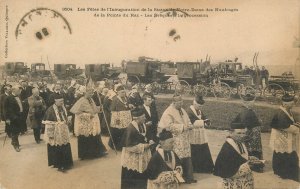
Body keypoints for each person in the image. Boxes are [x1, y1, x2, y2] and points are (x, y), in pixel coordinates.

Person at [158, 94, 197, 184]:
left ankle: (188, 177)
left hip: (184, 138)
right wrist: (183, 127)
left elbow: (187, 120)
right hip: (175, 138)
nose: (181, 104)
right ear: (174, 102)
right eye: (179, 103)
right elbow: (169, 126)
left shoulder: (181, 109)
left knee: (187, 156)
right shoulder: (168, 112)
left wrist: (190, 125)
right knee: (178, 157)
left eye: (182, 102)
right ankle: (178, 178)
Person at [70, 83, 107, 159]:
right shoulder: (81, 100)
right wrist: (88, 115)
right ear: (85, 93)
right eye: (89, 93)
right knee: (86, 138)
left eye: (92, 93)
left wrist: (99, 108)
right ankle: (85, 155)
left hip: (92, 122)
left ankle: (96, 153)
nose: (91, 94)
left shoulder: (91, 99)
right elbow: (76, 112)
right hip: (84, 123)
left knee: (94, 136)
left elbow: (94, 109)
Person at [213, 121, 255, 189]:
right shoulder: (227, 148)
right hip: (233, 183)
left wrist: (249, 158)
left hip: (243, 181)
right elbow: (227, 170)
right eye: (238, 133)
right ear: (231, 133)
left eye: (243, 133)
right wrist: (248, 165)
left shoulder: (238, 142)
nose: (242, 136)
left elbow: (239, 157)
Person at [269, 94, 299, 181]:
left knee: (281, 153)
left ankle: (280, 171)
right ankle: (286, 173)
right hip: (281, 137)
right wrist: (297, 129)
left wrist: (295, 124)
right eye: (291, 103)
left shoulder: (286, 110)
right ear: (285, 104)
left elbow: (289, 121)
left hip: (282, 136)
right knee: (285, 153)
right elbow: (285, 126)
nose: (293, 105)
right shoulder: (281, 113)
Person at [120, 108, 152, 189]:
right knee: (132, 176)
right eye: (143, 117)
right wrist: (144, 146)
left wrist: (150, 139)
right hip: (132, 157)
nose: (145, 118)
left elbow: (146, 136)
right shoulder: (130, 128)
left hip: (142, 155)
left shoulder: (143, 124)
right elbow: (128, 147)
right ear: (137, 118)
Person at [231, 93, 264, 172]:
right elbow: (246, 124)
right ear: (247, 103)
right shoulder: (247, 112)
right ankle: (256, 166)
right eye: (252, 102)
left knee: (252, 150)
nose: (253, 103)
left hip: (253, 132)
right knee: (254, 150)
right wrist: (258, 123)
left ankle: (253, 164)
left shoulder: (246, 110)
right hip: (252, 134)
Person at [43, 93, 73, 172]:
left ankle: (67, 163)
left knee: (65, 145)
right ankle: (59, 165)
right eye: (60, 102)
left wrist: (68, 121)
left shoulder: (63, 107)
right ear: (55, 101)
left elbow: (65, 117)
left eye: (63, 101)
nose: (62, 103)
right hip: (55, 131)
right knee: (57, 147)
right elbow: (48, 123)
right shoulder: (50, 110)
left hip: (64, 130)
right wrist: (50, 135)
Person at [186, 95, 214, 173]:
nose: (200, 108)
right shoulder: (189, 111)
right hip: (193, 133)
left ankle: (205, 168)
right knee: (194, 149)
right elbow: (191, 122)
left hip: (200, 133)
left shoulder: (199, 110)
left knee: (203, 147)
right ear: (194, 103)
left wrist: (207, 121)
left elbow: (204, 117)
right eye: (199, 106)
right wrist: (203, 122)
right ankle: (196, 168)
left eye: (201, 106)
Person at [109, 85, 132, 151]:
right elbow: (112, 109)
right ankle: (116, 146)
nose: (123, 94)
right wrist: (117, 120)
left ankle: (123, 145)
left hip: (125, 118)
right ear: (118, 92)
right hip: (118, 118)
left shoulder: (126, 98)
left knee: (124, 131)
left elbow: (126, 106)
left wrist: (129, 106)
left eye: (124, 92)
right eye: (122, 92)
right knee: (117, 131)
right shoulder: (115, 99)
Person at [4, 85, 25, 152]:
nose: (19, 91)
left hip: (19, 117)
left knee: (18, 131)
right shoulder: (8, 98)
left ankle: (13, 142)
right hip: (13, 118)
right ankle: (16, 145)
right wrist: (7, 119)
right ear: (13, 91)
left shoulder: (18, 96)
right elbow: (5, 109)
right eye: (18, 90)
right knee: (14, 132)